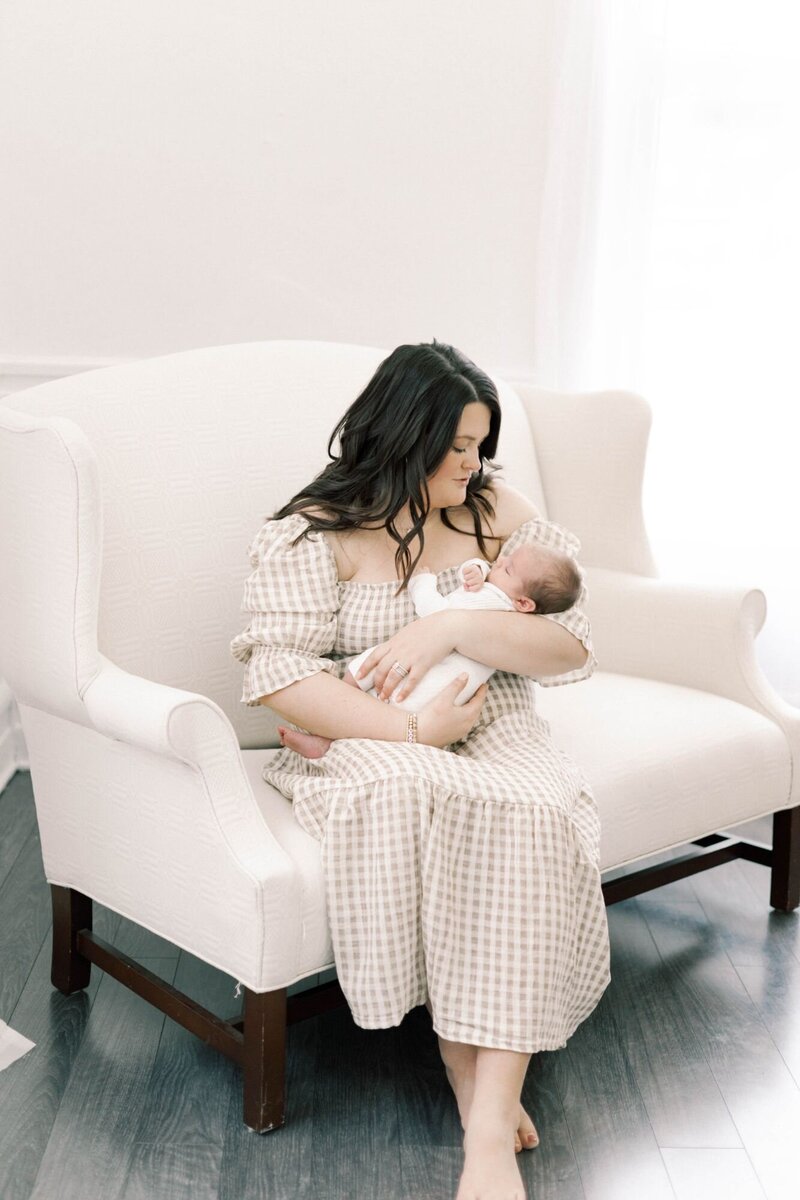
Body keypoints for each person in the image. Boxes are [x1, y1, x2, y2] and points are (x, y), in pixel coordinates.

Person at [230, 340, 611, 1200]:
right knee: (411, 796)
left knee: (536, 813)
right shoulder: (314, 533)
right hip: (369, 735)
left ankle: (485, 1131)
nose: (474, 465)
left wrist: (447, 631)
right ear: (406, 434)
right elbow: (277, 677)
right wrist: (411, 729)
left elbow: (569, 646)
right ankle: (462, 1066)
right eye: (459, 448)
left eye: (483, 446)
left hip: (499, 724)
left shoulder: (497, 513)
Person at [278, 539, 582, 760]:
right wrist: (477, 567)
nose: (498, 563)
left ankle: (327, 734)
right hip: (439, 694)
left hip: (426, 685)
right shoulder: (512, 610)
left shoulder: (490, 602)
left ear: (524, 603)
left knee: (368, 668)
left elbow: (435, 612)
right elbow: (482, 571)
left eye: (508, 568)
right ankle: (329, 745)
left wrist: (422, 582)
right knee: (379, 734)